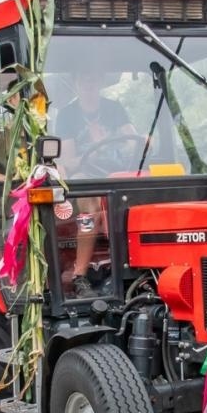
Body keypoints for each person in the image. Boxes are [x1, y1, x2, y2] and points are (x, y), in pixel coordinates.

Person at [50, 72, 138, 297]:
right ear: (76, 83)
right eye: (84, 79)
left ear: (100, 82)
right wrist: (95, 148)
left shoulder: (114, 108)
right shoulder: (67, 116)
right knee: (90, 208)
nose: (89, 83)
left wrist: (141, 141)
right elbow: (67, 161)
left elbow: (131, 139)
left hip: (116, 172)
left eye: (93, 79)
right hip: (83, 174)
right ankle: (80, 275)